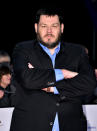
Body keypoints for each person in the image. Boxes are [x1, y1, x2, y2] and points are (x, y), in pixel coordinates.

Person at [10, 8, 96, 131]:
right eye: (44, 26)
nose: (49, 31)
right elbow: (27, 79)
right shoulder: (23, 49)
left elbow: (89, 83)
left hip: (71, 125)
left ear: (61, 28)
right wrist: (64, 73)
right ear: (36, 27)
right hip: (30, 126)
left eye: (54, 26)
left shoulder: (78, 52)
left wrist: (50, 87)